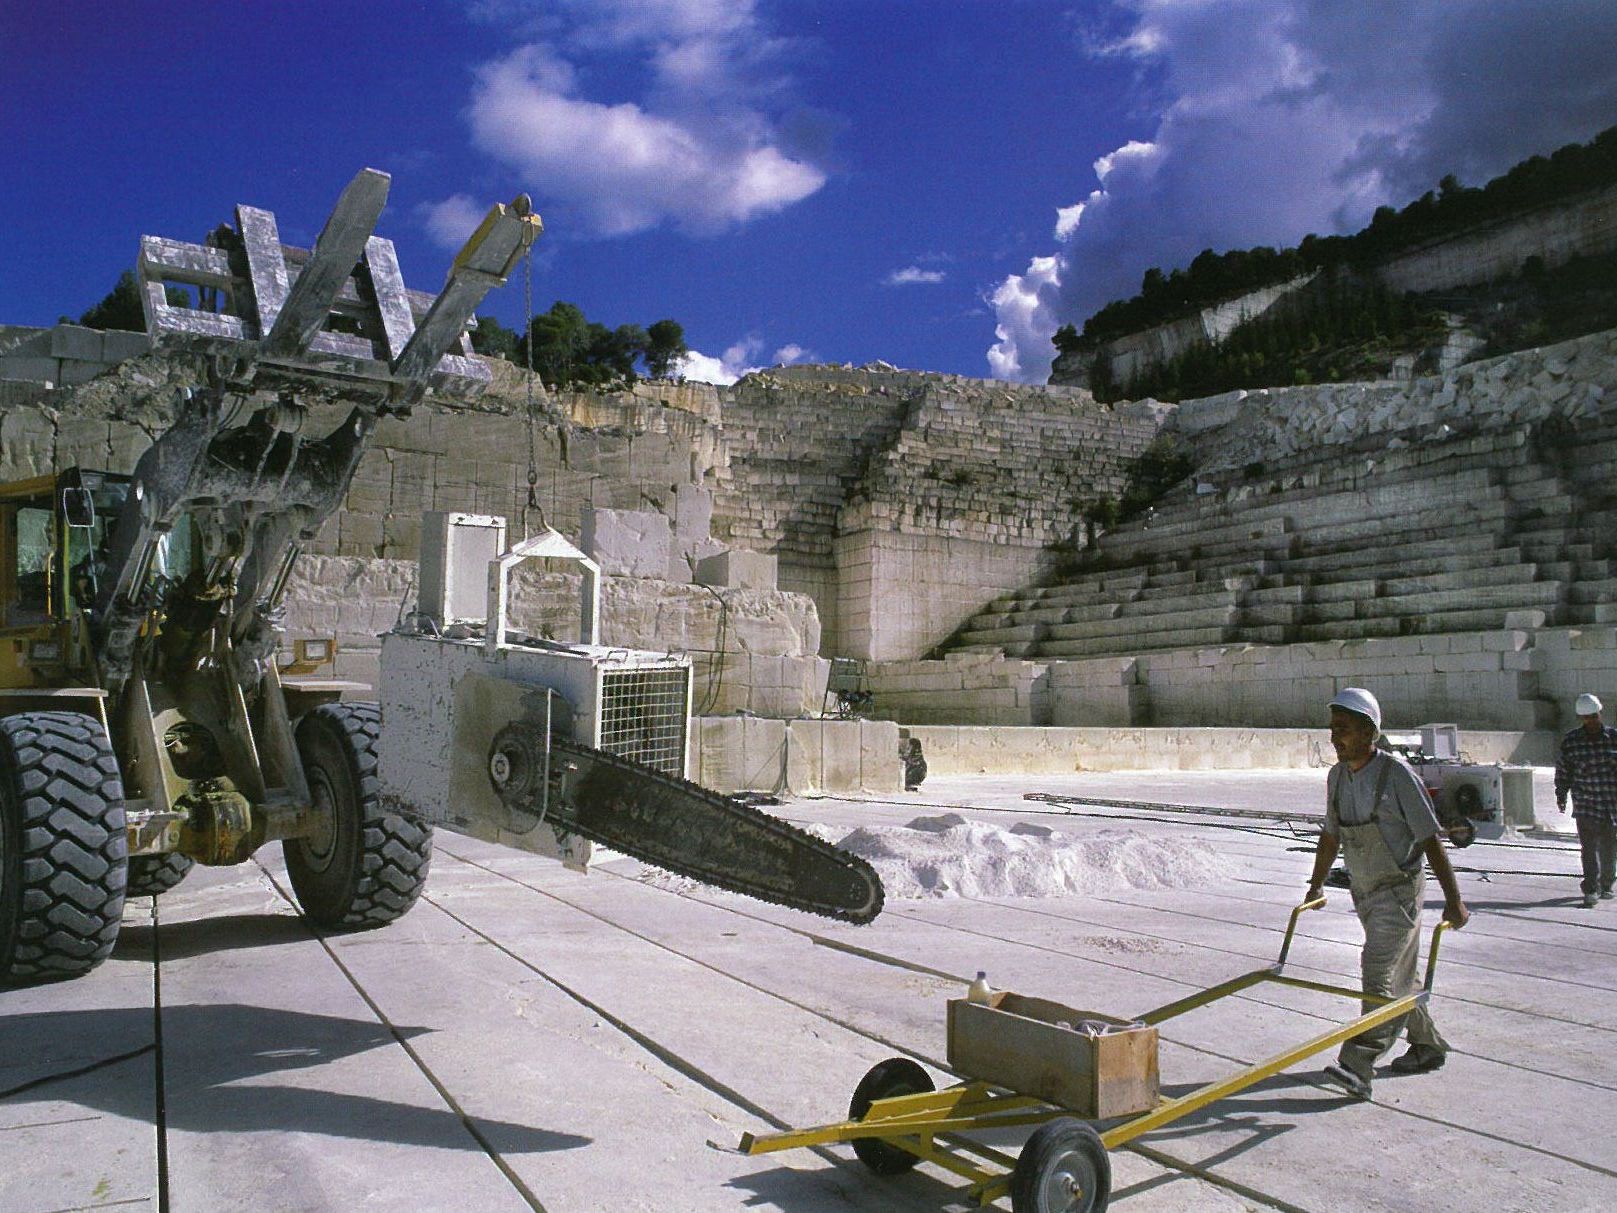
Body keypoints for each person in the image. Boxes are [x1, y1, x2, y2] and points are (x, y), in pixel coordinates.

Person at [1305, 687, 1470, 1100]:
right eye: (1332, 729)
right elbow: (1330, 836)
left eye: (1342, 729)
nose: (1334, 738)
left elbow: (1431, 840)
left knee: (1377, 975)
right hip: (1364, 892)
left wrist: (1454, 900)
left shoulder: (1396, 776)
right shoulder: (1338, 777)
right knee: (1401, 976)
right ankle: (1427, 1046)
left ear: (1369, 731)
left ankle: (1358, 1064)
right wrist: (1315, 883)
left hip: (1399, 892)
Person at [1555, 693, 1617, 909]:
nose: (1591, 721)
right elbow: (1563, 770)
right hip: (1585, 805)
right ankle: (1591, 888)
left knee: (1609, 846)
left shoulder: (1614, 737)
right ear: (1581, 718)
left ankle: (1607, 884)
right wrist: (1560, 794)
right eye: (1586, 717)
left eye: (1594, 716)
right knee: (1588, 847)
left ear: (1600, 713)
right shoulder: (1571, 741)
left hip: (1610, 804)